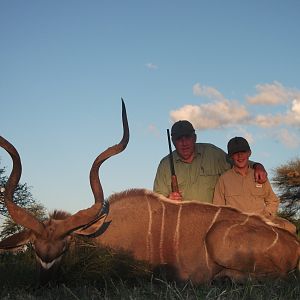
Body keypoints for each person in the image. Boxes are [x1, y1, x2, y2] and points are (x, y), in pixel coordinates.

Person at [153, 120, 267, 203]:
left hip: (214, 221)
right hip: (182, 223)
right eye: (179, 139)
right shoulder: (165, 165)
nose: (184, 143)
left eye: (187, 137)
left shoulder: (212, 153)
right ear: (173, 141)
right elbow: (157, 201)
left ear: (195, 138)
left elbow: (239, 162)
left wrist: (257, 166)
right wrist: (168, 200)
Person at [213, 136, 296, 233]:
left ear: (249, 153)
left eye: (243, 152)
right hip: (237, 224)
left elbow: (273, 200)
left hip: (262, 222)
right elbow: (218, 208)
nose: (240, 156)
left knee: (291, 228)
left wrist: (265, 217)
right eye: (236, 153)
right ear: (230, 156)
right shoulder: (224, 179)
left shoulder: (260, 175)